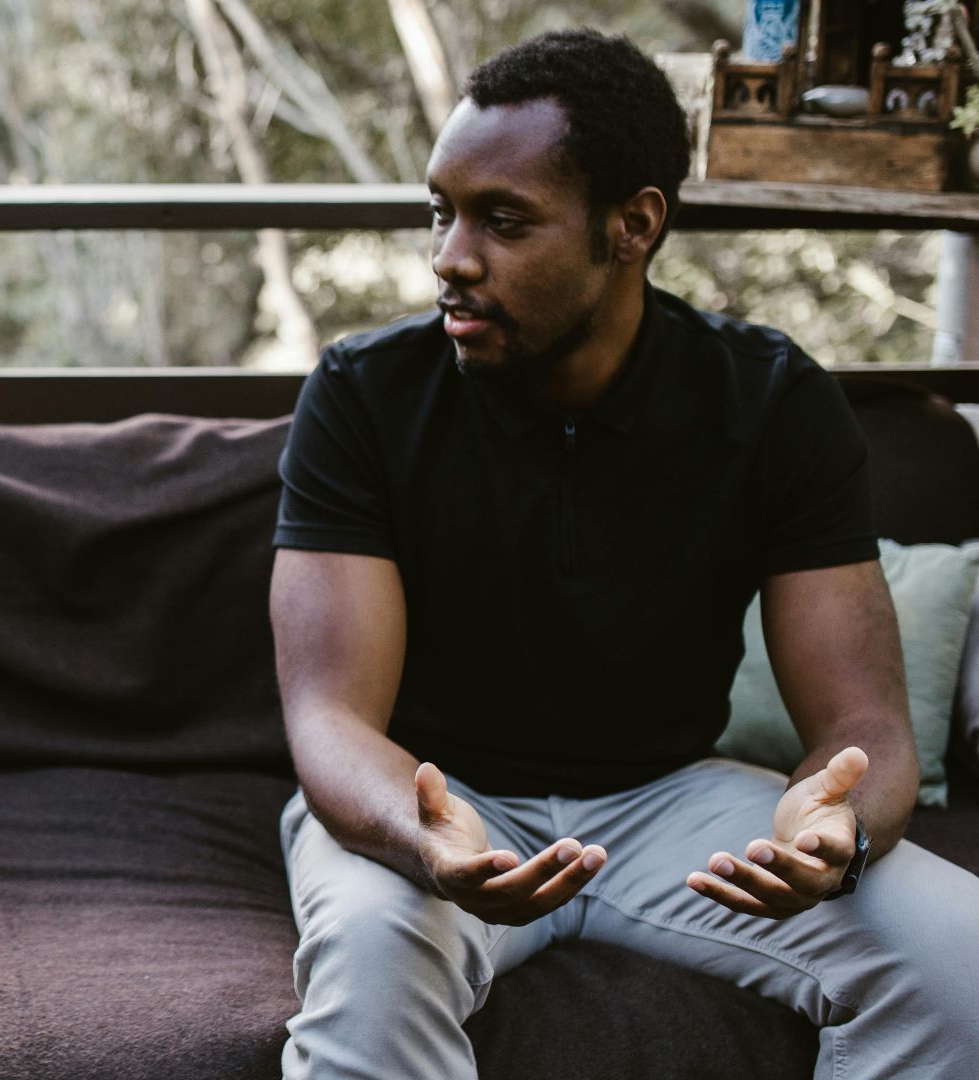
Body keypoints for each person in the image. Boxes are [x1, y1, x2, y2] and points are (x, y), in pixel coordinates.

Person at [271, 29, 979, 1080]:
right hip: (435, 797)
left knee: (964, 962)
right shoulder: (364, 396)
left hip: (675, 801)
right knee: (373, 963)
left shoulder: (772, 402)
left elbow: (864, 725)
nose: (450, 257)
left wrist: (840, 831)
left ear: (632, 226)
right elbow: (328, 716)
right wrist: (422, 838)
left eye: (503, 222)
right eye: (442, 211)